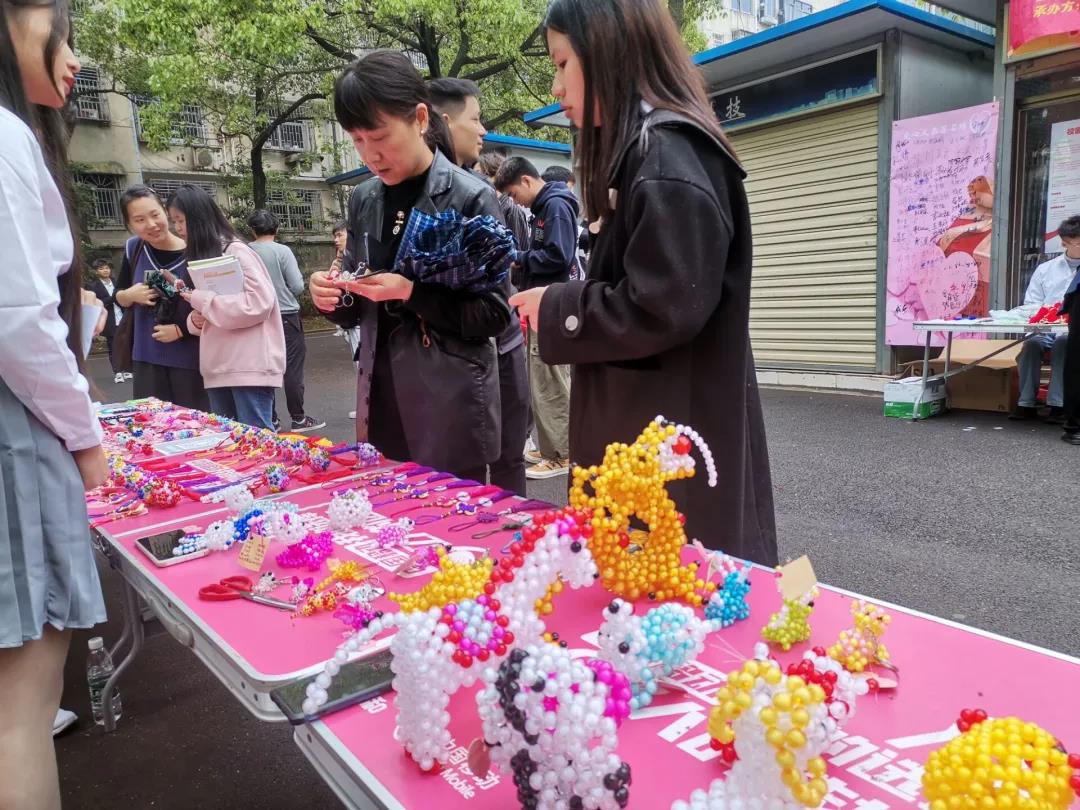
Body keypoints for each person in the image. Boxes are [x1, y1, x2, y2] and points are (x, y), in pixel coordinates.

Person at [509, 0, 777, 562]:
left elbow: (662, 305)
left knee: (670, 582)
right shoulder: (651, 151)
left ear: (608, 48)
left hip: (666, 451)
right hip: (657, 439)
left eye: (562, 63)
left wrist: (557, 306)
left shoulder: (666, 155)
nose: (556, 87)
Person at [308, 50, 514, 480]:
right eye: (357, 140)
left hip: (449, 402)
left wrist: (411, 292)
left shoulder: (470, 197)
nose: (370, 155)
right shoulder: (365, 198)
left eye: (380, 137)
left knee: (450, 518)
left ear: (420, 118)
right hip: (381, 397)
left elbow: (495, 314)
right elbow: (357, 304)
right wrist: (331, 296)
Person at [1, 2, 110, 805]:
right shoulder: (6, 138)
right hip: (15, 430)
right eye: (63, 32)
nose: (74, 59)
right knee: (21, 709)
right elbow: (19, 319)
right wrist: (85, 434)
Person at [430, 77, 531, 495]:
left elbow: (506, 274)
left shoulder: (485, 194)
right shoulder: (405, 195)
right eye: (475, 119)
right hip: (451, 356)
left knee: (509, 456)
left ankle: (516, 530)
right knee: (458, 470)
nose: (483, 130)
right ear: (442, 120)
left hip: (503, 342)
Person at [169, 185, 285, 429]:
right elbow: (208, 310)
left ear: (199, 217)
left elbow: (259, 303)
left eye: (181, 220)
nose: (177, 228)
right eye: (174, 221)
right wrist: (194, 319)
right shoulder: (202, 255)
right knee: (228, 441)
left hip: (248, 366)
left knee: (256, 440)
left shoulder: (235, 250)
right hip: (218, 367)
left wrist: (202, 301)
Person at [495, 156, 578, 479]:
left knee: (550, 380)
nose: (516, 202)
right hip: (544, 304)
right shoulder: (547, 207)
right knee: (546, 378)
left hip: (550, 305)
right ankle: (553, 447)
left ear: (526, 181)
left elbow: (559, 255)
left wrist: (519, 257)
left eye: (514, 194)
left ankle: (562, 454)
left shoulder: (554, 207)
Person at [114, 185, 209, 410]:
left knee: (193, 425)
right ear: (129, 224)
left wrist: (181, 330)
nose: (151, 224)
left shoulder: (195, 252)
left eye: (155, 214)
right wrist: (129, 295)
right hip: (146, 358)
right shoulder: (134, 248)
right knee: (152, 424)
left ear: (165, 212)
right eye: (139, 220)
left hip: (190, 360)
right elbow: (117, 297)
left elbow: (212, 306)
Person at [247, 209, 324, 433]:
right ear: (277, 228)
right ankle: (298, 418)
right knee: (292, 368)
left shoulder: (245, 252)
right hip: (286, 315)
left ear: (252, 230)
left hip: (257, 317)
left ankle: (270, 419)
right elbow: (298, 286)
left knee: (264, 368)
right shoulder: (282, 251)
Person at [1010, 215, 1080, 423]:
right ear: (1064, 243)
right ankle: (1026, 403)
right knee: (1032, 344)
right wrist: (1043, 317)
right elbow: (1032, 303)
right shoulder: (1046, 269)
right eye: (1077, 243)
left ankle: (1058, 405)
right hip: (1047, 326)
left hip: (1074, 330)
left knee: (1063, 343)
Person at [88, 258, 128, 383]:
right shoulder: (94, 286)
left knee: (125, 344)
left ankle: (126, 369)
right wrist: (114, 298)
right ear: (96, 271)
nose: (105, 270)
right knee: (113, 346)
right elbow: (97, 303)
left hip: (122, 317)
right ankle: (117, 372)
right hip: (109, 319)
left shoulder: (116, 282)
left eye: (107, 268)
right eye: (101, 268)